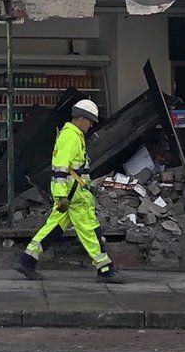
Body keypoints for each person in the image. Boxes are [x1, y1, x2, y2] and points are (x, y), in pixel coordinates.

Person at [14, 99, 124, 283]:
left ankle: (27, 261)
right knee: (90, 230)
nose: (90, 125)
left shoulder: (72, 135)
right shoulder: (71, 137)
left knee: (53, 228)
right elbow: (60, 168)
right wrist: (61, 195)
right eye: (89, 121)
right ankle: (105, 269)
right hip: (74, 195)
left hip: (71, 194)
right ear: (81, 119)